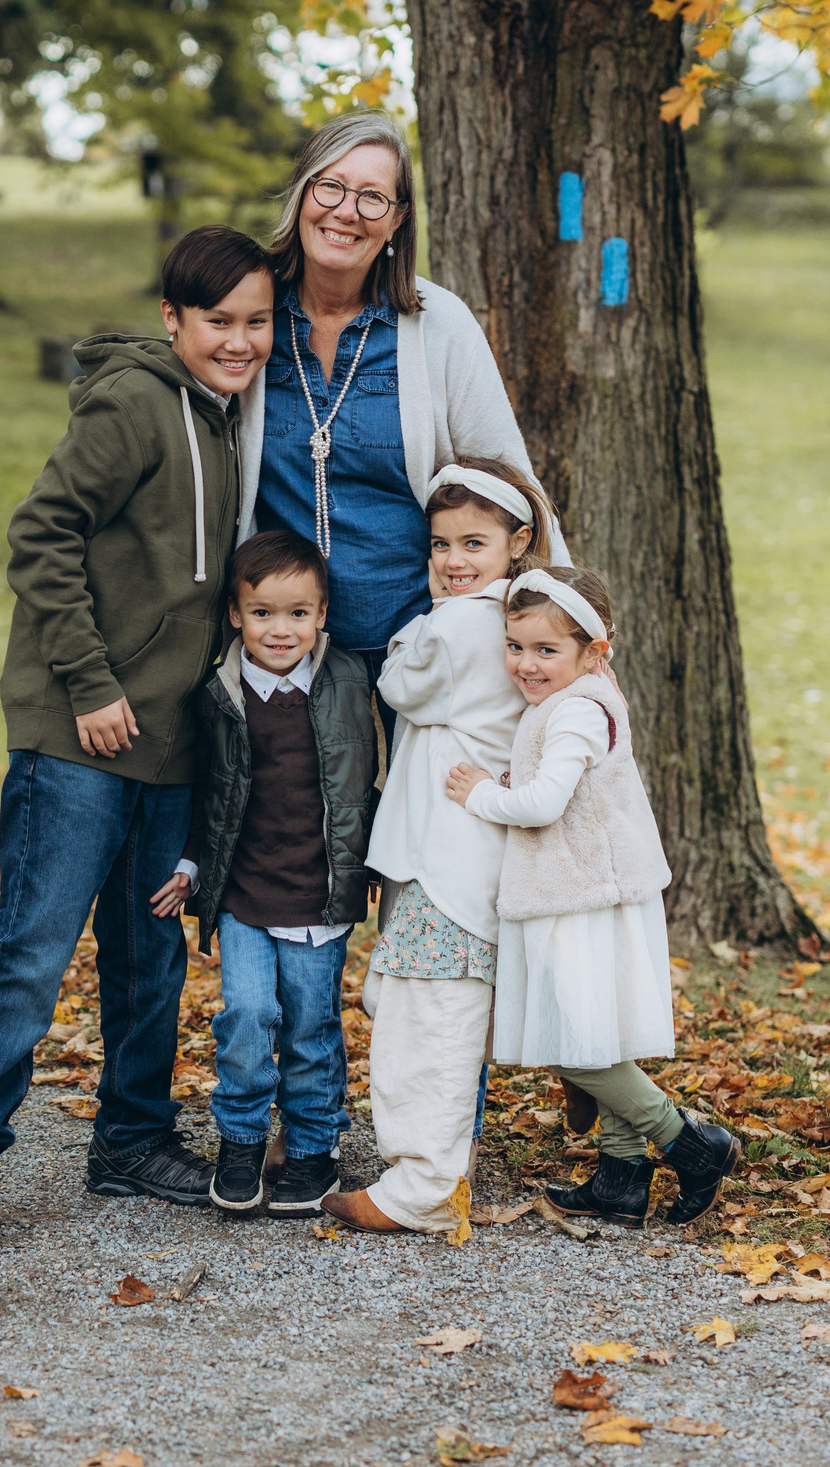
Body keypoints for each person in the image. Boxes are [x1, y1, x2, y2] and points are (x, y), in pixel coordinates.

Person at [0, 225, 276, 1259]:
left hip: (166, 738)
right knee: (34, 948)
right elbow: (41, 533)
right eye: (219, 321)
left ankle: (129, 1138)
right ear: (174, 321)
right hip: (82, 731)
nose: (240, 340)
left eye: (256, 322)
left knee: (146, 957)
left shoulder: (224, 419)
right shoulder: (134, 404)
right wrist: (87, 681)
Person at [238, 110, 567, 710]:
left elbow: (511, 486)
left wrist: (572, 630)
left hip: (423, 656)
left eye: (372, 198)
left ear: (396, 221)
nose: (345, 211)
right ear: (302, 194)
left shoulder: (437, 325)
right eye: (330, 187)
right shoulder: (249, 315)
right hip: (283, 660)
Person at [447, 566, 742, 1226]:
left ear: (593, 652)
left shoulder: (578, 708)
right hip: (580, 888)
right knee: (594, 1033)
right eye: (515, 645)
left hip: (576, 899)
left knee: (574, 1043)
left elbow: (545, 803)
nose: (526, 663)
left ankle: (688, 1142)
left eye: (546, 649)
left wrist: (482, 793)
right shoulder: (578, 697)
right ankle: (620, 1176)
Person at [319, 461, 549, 1236]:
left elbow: (397, 682)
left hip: (447, 855)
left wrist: (411, 623)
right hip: (450, 850)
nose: (453, 560)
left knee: (431, 1014)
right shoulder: (516, 620)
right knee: (424, 1002)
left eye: (474, 542)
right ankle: (437, 1162)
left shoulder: (461, 622)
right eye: (441, 543)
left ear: (517, 544)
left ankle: (422, 1182)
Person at [146, 528, 378, 1218]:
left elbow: (371, 781)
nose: (281, 629)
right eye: (264, 613)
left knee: (311, 1027)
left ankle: (312, 1146)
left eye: (298, 613)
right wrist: (191, 863)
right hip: (244, 893)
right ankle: (243, 1139)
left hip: (320, 893)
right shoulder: (219, 693)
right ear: (236, 614)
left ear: (323, 615)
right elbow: (208, 791)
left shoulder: (349, 680)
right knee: (247, 1014)